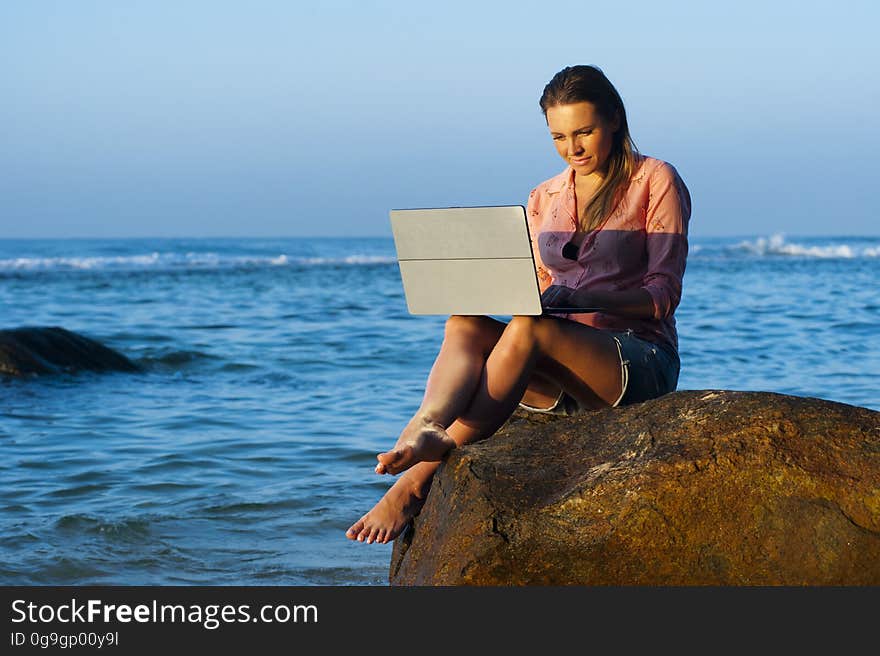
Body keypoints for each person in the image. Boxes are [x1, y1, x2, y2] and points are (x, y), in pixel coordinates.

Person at [346, 64, 691, 545]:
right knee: (464, 321)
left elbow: (663, 296)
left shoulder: (655, 179)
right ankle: (425, 423)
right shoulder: (544, 195)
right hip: (554, 369)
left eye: (585, 132)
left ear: (614, 118)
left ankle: (415, 481)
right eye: (558, 137)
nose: (573, 149)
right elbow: (539, 282)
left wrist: (585, 297)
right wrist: (496, 287)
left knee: (529, 329)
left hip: (633, 361)